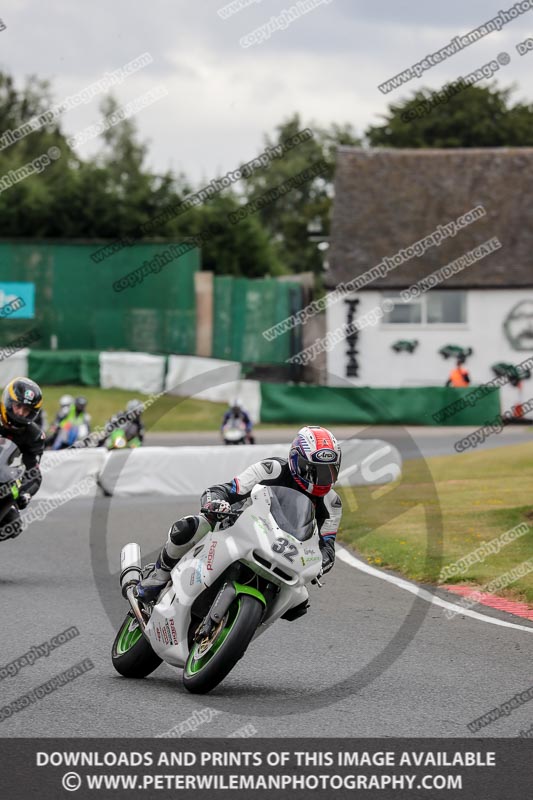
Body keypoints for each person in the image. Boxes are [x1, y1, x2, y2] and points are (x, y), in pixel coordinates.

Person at [136, 425, 342, 606]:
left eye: (329, 472)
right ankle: (159, 575)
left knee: (300, 601)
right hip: (240, 526)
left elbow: (328, 548)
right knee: (191, 526)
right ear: (297, 460)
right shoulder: (271, 469)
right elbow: (225, 489)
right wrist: (214, 503)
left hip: (284, 550)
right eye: (313, 471)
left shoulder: (332, 503)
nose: (322, 479)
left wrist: (319, 565)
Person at [0, 377, 45, 539]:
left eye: (26, 410)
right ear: (8, 401)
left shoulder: (34, 435)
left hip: (3, 483)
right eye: (18, 406)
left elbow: (34, 472)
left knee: (13, 524)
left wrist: (25, 494)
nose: (20, 413)